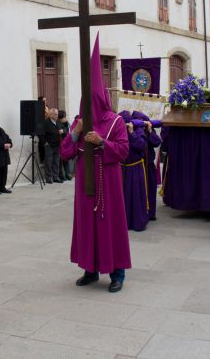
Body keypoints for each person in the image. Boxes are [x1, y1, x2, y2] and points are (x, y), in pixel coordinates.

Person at [60, 36, 131, 293]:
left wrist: (102, 142)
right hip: (84, 183)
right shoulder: (78, 121)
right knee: (87, 226)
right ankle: (89, 270)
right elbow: (65, 153)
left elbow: (123, 150)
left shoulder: (115, 122)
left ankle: (117, 273)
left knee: (110, 225)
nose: (87, 105)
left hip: (108, 182)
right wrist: (76, 133)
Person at [119, 111, 149, 231]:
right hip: (121, 168)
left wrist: (131, 133)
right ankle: (123, 222)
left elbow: (141, 145)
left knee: (135, 195)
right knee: (124, 196)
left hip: (135, 168)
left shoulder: (138, 130)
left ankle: (137, 222)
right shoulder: (119, 131)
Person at [132, 111, 161, 221]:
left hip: (148, 166)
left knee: (150, 190)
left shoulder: (149, 130)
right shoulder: (132, 130)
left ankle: (150, 213)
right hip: (137, 166)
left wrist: (150, 131)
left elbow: (157, 142)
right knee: (138, 191)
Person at [43, 108, 63, 183]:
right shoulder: (46, 123)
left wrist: (62, 131)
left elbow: (64, 129)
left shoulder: (58, 122)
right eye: (55, 114)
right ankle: (48, 178)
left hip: (57, 144)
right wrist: (45, 142)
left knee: (56, 162)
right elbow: (41, 133)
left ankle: (56, 177)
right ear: (50, 115)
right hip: (49, 145)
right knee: (49, 162)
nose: (57, 115)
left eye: (57, 114)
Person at [58, 110, 73, 180]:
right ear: (61, 118)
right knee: (60, 161)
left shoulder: (66, 123)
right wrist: (64, 131)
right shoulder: (58, 123)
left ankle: (68, 174)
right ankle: (61, 176)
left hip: (66, 143)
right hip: (60, 143)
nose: (65, 118)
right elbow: (61, 132)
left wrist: (64, 130)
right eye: (64, 117)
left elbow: (68, 130)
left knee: (66, 159)